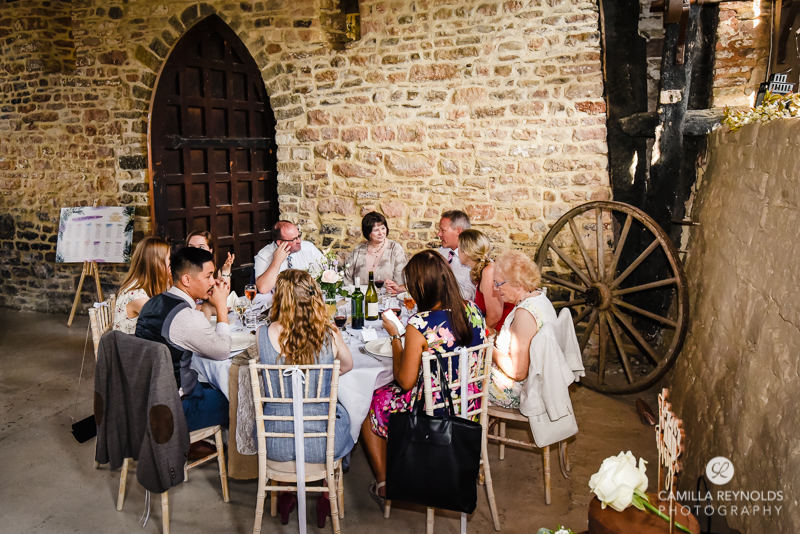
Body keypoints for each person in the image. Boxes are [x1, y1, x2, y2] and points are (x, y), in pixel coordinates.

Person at [361, 250, 487, 501]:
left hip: (434, 411)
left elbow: (405, 381)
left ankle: (385, 482)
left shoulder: (420, 323)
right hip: (469, 403)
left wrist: (396, 336)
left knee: (370, 400)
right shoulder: (472, 309)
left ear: (423, 287)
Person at [257, 269, 354, 526]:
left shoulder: (262, 334)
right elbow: (346, 367)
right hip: (321, 444)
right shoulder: (329, 334)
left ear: (280, 298)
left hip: (276, 442)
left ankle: (286, 493)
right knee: (344, 414)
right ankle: (325, 490)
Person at [135, 246, 232, 433]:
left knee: (209, 381)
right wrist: (220, 306)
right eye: (208, 276)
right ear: (186, 279)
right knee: (237, 397)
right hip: (175, 408)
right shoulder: (186, 316)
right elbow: (222, 351)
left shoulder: (152, 302)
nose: (213, 282)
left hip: (145, 397)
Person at [488, 250, 558, 409]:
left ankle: (462, 428)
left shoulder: (525, 313)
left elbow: (518, 372)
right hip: (532, 381)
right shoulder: (539, 297)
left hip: (519, 390)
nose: (496, 289)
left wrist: (488, 346)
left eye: (499, 283)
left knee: (459, 378)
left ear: (518, 284)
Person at [458, 229, 514, 333]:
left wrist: (476, 335)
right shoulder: (482, 270)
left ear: (465, 253)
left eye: (459, 248)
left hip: (504, 331)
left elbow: (495, 316)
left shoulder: (489, 271)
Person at [113, 236, 172, 335]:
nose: (170, 262)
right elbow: (167, 321)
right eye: (169, 258)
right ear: (157, 263)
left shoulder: (139, 284)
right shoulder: (137, 296)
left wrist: (167, 282)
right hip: (131, 348)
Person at [254, 221, 323, 294]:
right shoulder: (264, 255)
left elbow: (326, 271)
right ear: (280, 243)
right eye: (293, 239)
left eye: (299, 236)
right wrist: (277, 261)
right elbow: (263, 289)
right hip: (279, 300)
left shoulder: (309, 248)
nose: (299, 241)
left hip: (306, 297)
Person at [344, 211, 407, 288]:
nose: (381, 233)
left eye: (383, 228)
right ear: (368, 232)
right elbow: (347, 279)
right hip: (361, 298)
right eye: (376, 230)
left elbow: (400, 281)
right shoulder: (358, 250)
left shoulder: (395, 249)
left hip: (388, 297)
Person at [437, 209, 476, 300]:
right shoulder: (442, 251)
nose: (439, 234)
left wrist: (449, 280)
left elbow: (470, 297)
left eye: (443, 230)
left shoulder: (472, 259)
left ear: (458, 231)